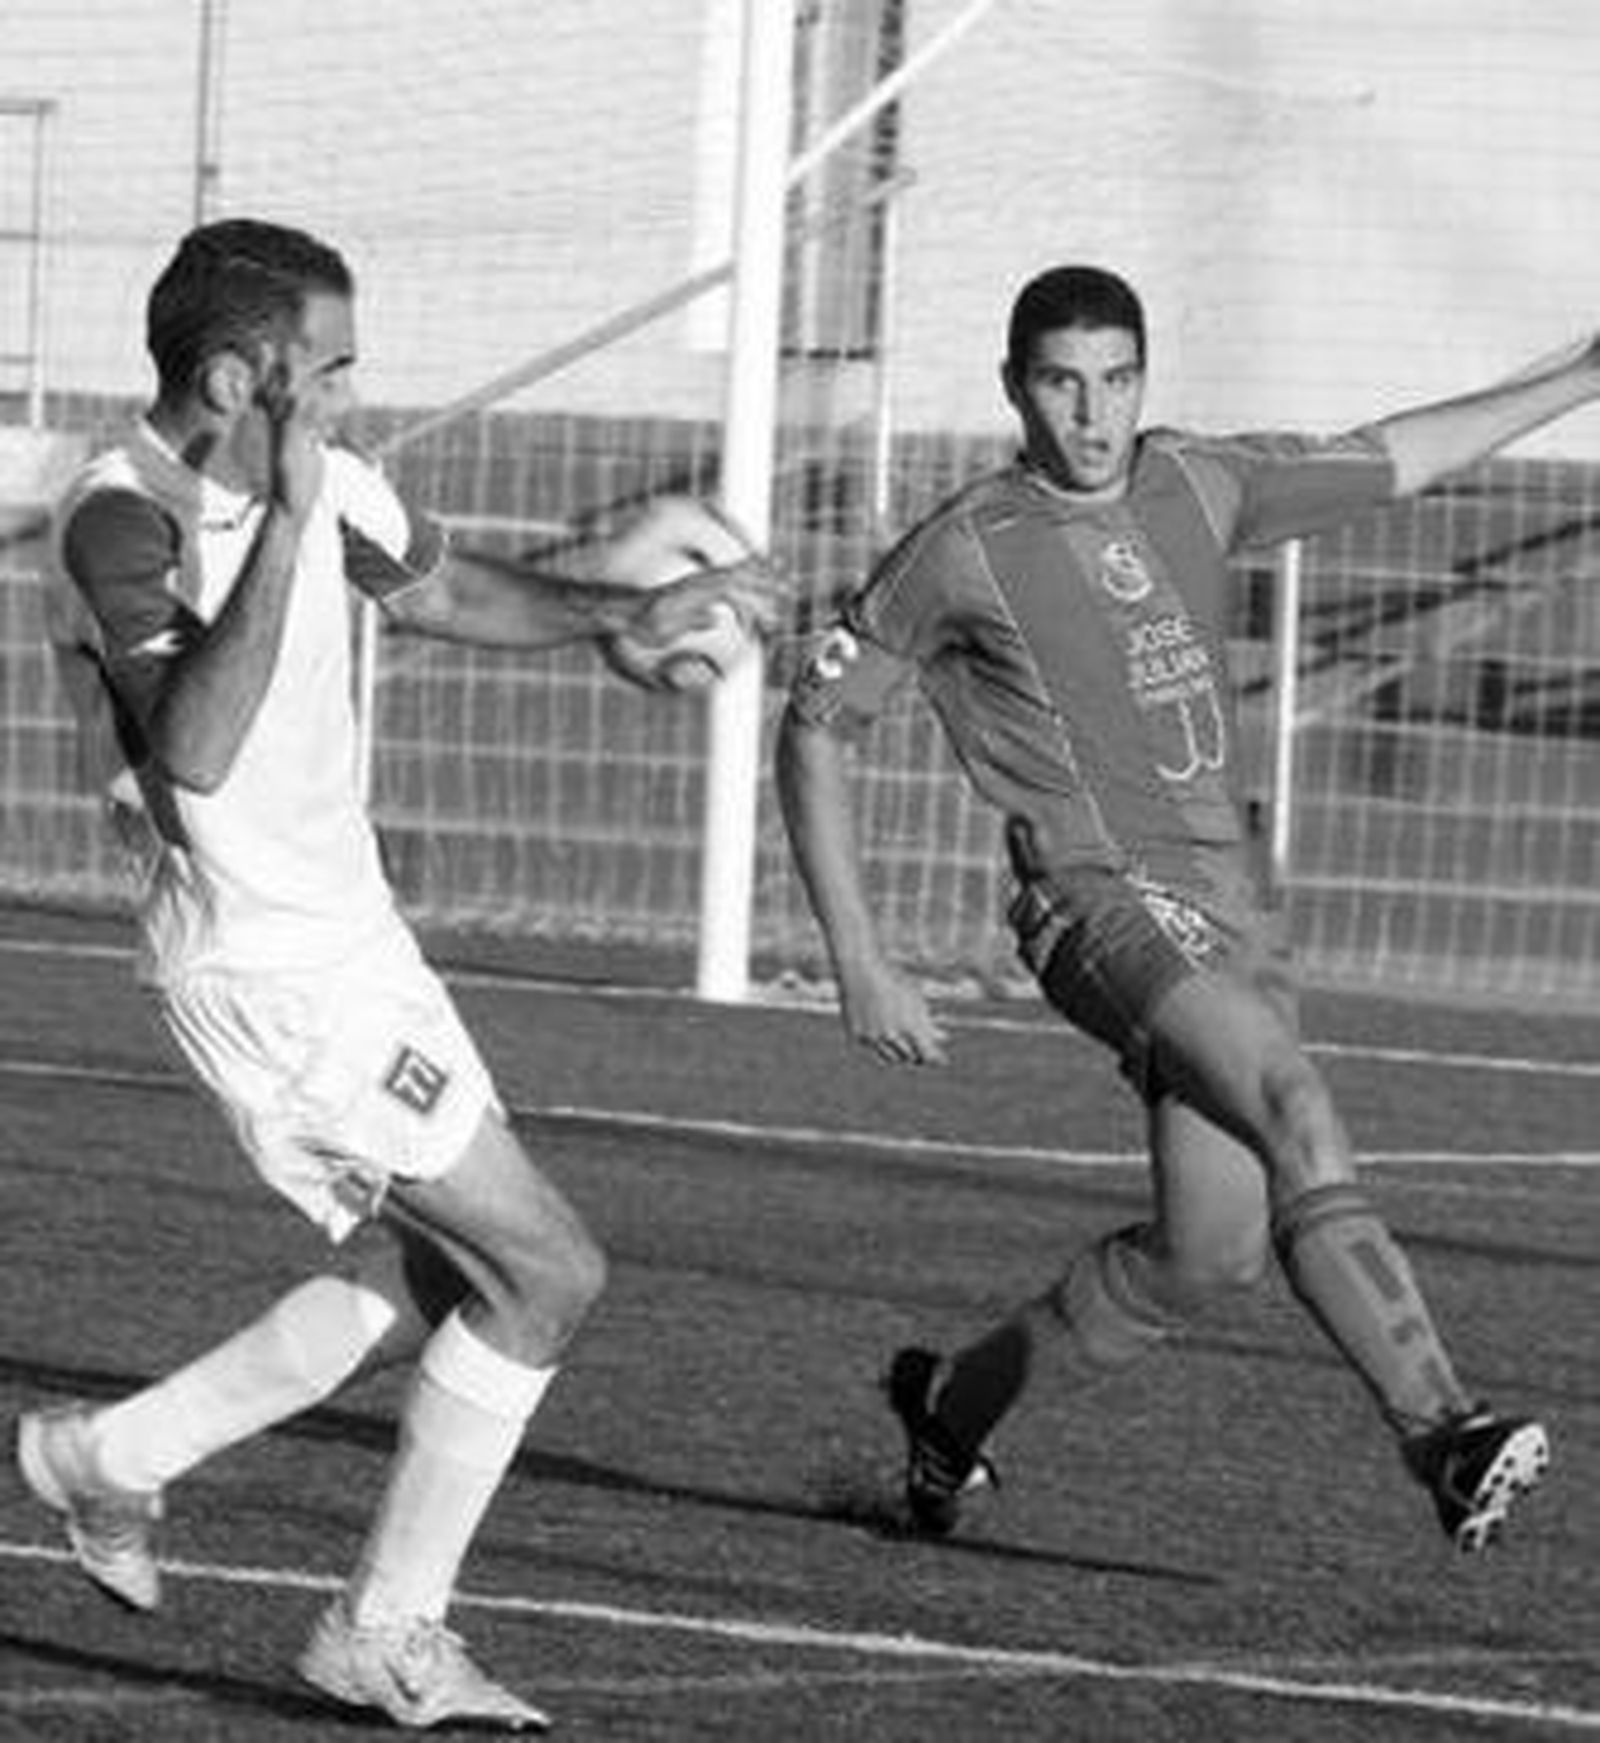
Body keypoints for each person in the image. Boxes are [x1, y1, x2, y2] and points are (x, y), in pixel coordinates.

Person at [21, 217, 779, 1733]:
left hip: (355, 943)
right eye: (335, 370)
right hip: (264, 976)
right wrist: (291, 528)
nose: (356, 398)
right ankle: (385, 1628)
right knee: (551, 1272)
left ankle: (114, 1459)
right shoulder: (121, 519)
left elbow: (438, 588)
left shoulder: (322, 480)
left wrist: (614, 617)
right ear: (240, 377)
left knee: (449, 1276)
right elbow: (196, 753)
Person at [776, 264, 1600, 1555]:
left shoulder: (1199, 481)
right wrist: (859, 958)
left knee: (1208, 1254)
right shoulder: (963, 547)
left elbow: (1394, 457)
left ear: (1144, 382)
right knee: (1297, 1107)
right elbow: (816, 727)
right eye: (1060, 382)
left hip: (1229, 910)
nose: (1091, 415)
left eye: (1115, 381)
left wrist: (1582, 376)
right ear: (1014, 389)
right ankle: (1447, 1435)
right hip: (1092, 904)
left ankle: (951, 1408)